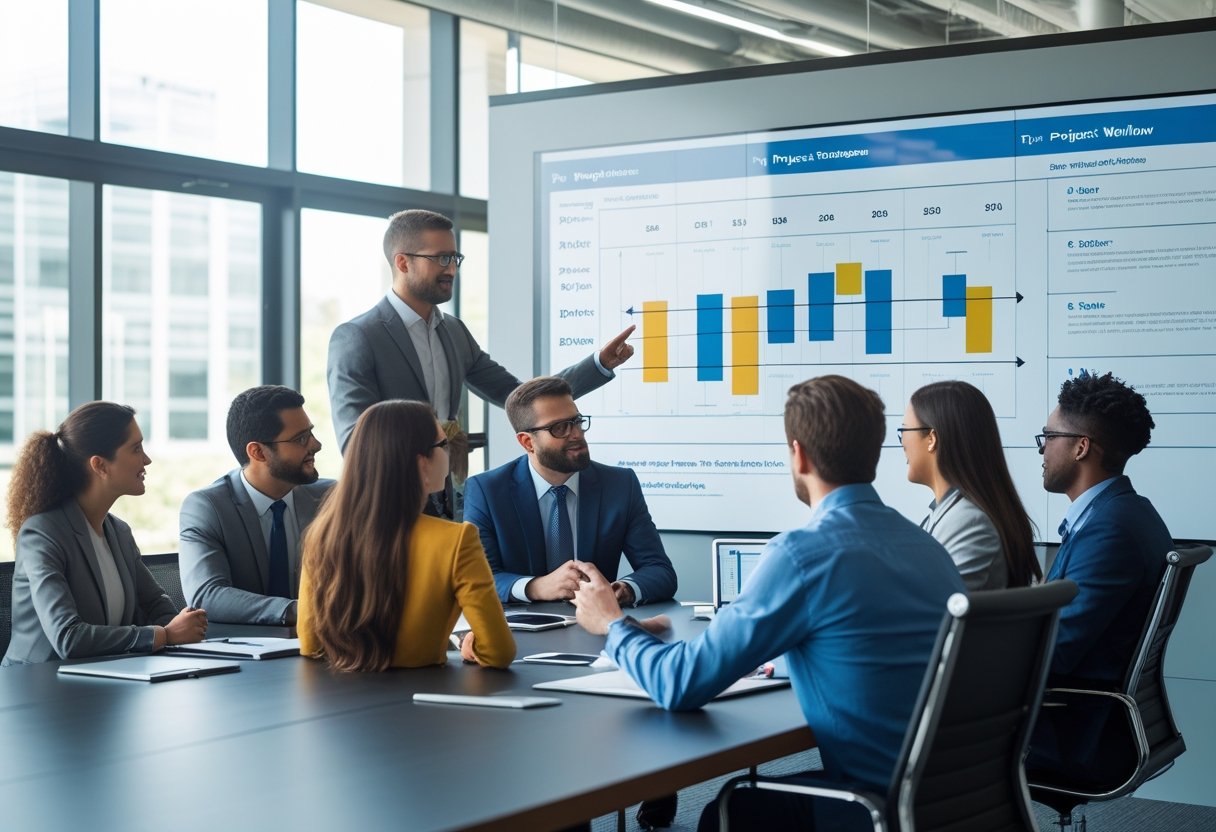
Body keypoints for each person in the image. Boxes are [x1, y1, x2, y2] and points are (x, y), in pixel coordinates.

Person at [572, 375, 964, 831]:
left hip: (874, 802)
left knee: (728, 810)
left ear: (798, 454)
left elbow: (680, 684)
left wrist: (613, 624)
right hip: (947, 794)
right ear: (876, 453)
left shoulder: (801, 555)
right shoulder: (927, 546)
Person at [326, 209, 636, 500]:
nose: (451, 269)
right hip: (387, 505)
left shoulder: (455, 332)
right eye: (441, 258)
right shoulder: (357, 337)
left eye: (455, 257)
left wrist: (599, 364)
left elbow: (520, 397)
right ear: (403, 263)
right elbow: (356, 444)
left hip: (445, 498)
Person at [1028, 371, 1172, 786]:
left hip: (1074, 732)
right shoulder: (1125, 513)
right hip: (1086, 718)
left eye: (1047, 437)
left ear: (1080, 447)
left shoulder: (1111, 530)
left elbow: (1055, 652)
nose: (1041, 451)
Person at [296, 400, 514, 671]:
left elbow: (310, 645)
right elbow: (499, 652)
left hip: (339, 704)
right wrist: (472, 644)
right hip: (423, 701)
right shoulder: (456, 540)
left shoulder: (322, 535)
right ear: (422, 464)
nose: (450, 453)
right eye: (444, 445)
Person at [3, 402, 207, 665]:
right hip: (39, 688)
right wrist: (163, 635)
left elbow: (156, 605)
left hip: (103, 678)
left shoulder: (118, 532)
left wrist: (186, 624)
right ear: (100, 465)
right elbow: (68, 637)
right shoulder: (42, 533)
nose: (147, 460)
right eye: (136, 449)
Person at [464, 376, 677, 606]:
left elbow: (659, 570)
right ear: (527, 442)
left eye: (576, 421)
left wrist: (624, 589)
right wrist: (536, 586)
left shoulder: (620, 485)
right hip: (520, 633)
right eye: (559, 428)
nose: (576, 433)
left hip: (596, 629)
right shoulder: (486, 491)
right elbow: (478, 580)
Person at [179, 386, 335, 625]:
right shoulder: (208, 508)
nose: (316, 445)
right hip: (243, 653)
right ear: (258, 452)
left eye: (311, 433)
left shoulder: (330, 498)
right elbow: (207, 596)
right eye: (301, 438)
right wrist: (302, 611)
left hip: (328, 647)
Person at [901, 380, 1041, 590]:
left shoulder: (969, 522)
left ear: (931, 438)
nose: (902, 442)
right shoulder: (953, 513)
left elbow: (932, 609)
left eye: (904, 430)